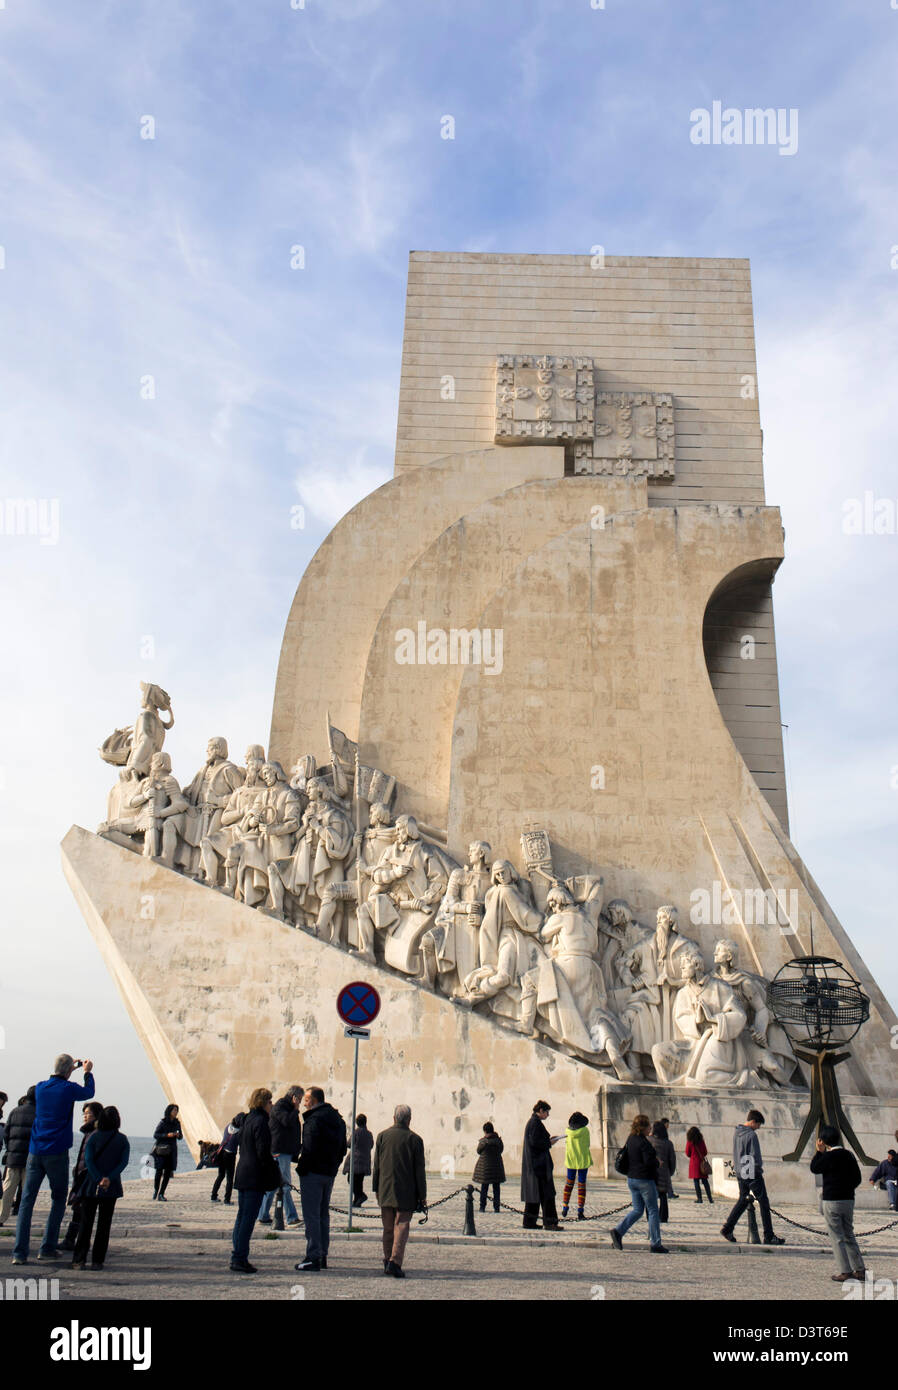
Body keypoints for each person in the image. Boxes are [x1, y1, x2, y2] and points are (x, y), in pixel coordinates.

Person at [13, 1055, 95, 1265]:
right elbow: (89, 1092)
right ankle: (47, 1248)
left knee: (26, 1201)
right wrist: (87, 1072)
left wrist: (70, 1069)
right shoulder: (69, 1089)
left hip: (35, 1150)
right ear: (68, 1071)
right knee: (58, 1199)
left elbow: (59, 1079)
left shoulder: (40, 1087)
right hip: (57, 1151)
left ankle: (19, 1253)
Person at [294, 1087, 347, 1273]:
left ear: (315, 1100)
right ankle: (322, 1254)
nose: (304, 1101)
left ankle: (313, 1256)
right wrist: (334, 1166)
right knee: (323, 1215)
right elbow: (343, 1147)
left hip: (313, 1173)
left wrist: (302, 1168)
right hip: (328, 1173)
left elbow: (308, 1148)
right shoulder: (337, 1119)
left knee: (312, 1216)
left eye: (307, 1098)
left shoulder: (313, 1120)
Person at [71, 1106, 130, 1272]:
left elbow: (88, 1160)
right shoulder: (122, 1139)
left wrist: (98, 1178)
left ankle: (79, 1260)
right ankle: (97, 1261)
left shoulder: (93, 1137)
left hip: (91, 1185)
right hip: (111, 1187)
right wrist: (108, 1178)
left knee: (85, 1223)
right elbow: (123, 1162)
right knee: (104, 1225)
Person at [372, 1104, 427, 1278]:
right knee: (401, 1225)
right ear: (409, 1120)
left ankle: (387, 1259)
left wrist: (376, 1188)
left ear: (393, 1118)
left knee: (387, 1228)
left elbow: (377, 1166)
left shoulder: (382, 1136)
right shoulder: (415, 1140)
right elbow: (419, 1171)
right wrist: (422, 1195)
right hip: (406, 1191)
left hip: (385, 1189)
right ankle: (395, 1262)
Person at [231, 1088, 280, 1274]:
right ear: (263, 1103)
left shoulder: (247, 1120)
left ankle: (237, 1254)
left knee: (241, 1217)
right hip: (254, 1177)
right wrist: (274, 1173)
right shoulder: (261, 1122)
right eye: (270, 1101)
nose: (272, 1105)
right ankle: (239, 1258)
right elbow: (263, 1153)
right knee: (247, 1220)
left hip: (243, 1174)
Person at [720, 1109, 784, 1246]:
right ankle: (769, 1235)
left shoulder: (737, 1133)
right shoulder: (751, 1135)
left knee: (743, 1200)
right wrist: (758, 1169)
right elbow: (755, 1156)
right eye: (758, 1124)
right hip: (752, 1173)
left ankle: (727, 1228)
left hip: (740, 1171)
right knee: (764, 1203)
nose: (759, 1128)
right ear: (753, 1122)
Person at [810, 1125, 865, 1282]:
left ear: (824, 1142)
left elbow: (814, 1168)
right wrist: (847, 1188)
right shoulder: (849, 1155)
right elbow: (857, 1178)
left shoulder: (827, 1157)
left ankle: (845, 1271)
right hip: (848, 1200)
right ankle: (859, 1269)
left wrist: (819, 1152)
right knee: (849, 1234)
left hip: (832, 1200)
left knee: (836, 1237)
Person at [610, 1114, 667, 1253]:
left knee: (637, 1210)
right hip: (645, 1180)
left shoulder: (631, 1139)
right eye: (648, 1126)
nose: (650, 1129)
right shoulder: (643, 1142)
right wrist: (657, 1162)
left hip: (632, 1179)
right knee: (653, 1211)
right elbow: (648, 1162)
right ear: (643, 1127)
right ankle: (655, 1243)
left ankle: (618, 1231)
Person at [259, 1086, 304, 1226]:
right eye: (300, 1099)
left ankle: (263, 1215)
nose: (300, 1103)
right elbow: (286, 1122)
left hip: (284, 1150)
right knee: (285, 1184)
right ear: (294, 1097)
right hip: (279, 1151)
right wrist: (296, 1109)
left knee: (274, 1185)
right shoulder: (280, 1107)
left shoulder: (287, 1107)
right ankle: (291, 1217)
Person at [61, 1101, 103, 1250]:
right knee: (78, 1209)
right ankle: (71, 1239)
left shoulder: (95, 1134)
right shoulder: (89, 1132)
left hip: (86, 1177)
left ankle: (73, 1240)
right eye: (84, 1114)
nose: (85, 1117)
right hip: (81, 1175)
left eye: (88, 1114)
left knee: (81, 1209)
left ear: (97, 1116)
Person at [521, 1100, 561, 1231]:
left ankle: (529, 1222)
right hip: (539, 1166)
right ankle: (550, 1223)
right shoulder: (535, 1123)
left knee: (535, 1194)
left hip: (536, 1165)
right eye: (547, 1112)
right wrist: (550, 1143)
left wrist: (548, 1141)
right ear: (541, 1111)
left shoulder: (533, 1122)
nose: (548, 1115)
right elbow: (536, 1143)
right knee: (547, 1195)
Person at [0, 1086, 36, 1227]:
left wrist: (11, 1149)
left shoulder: (15, 1111)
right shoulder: (39, 1113)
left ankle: (1, 1216)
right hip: (30, 1157)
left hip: (13, 1157)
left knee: (7, 1189)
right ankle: (23, 1217)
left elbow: (7, 1133)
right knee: (26, 1189)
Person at [561, 1111, 592, 1221]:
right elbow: (588, 1144)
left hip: (571, 1161)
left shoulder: (567, 1131)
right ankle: (580, 1211)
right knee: (581, 1185)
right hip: (583, 1161)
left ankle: (565, 1206)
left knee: (569, 1184)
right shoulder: (585, 1131)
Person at [210, 1113, 244, 1205]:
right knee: (230, 1178)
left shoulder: (228, 1127)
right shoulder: (240, 1132)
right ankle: (227, 1200)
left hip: (221, 1153)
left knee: (220, 1175)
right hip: (230, 1155)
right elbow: (241, 1145)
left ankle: (213, 1196)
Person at [472, 1122, 505, 1214]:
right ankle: (497, 1207)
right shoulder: (498, 1140)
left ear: (485, 1131)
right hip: (496, 1166)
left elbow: (478, 1151)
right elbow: (501, 1150)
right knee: (496, 1188)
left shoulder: (483, 1141)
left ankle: (482, 1207)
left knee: (484, 1188)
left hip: (485, 1167)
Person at [152, 1103, 182, 1200]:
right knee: (159, 1171)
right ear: (169, 1111)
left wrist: (178, 1135)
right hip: (161, 1150)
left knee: (168, 1172)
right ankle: (156, 1189)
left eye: (177, 1110)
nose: (176, 1112)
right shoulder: (163, 1122)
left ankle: (161, 1193)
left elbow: (181, 1137)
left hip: (171, 1150)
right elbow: (156, 1134)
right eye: (174, 1110)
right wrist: (166, 1135)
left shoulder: (177, 1123)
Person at [344, 1114, 375, 1207]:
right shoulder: (369, 1134)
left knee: (351, 1180)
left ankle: (360, 1196)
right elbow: (371, 1145)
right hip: (364, 1161)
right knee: (359, 1182)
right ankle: (357, 1200)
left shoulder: (356, 1133)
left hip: (355, 1161)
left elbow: (349, 1144)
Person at [649, 1120, 676, 1223]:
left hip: (652, 1172)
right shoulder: (668, 1143)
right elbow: (672, 1159)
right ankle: (663, 1217)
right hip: (664, 1172)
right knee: (663, 1195)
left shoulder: (649, 1140)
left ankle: (650, 1216)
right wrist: (671, 1171)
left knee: (651, 1196)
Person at [686, 1125, 713, 1204]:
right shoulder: (701, 1141)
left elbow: (687, 1153)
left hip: (694, 1163)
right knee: (705, 1181)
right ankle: (710, 1198)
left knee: (696, 1181)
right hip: (702, 1163)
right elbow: (705, 1152)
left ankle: (699, 1198)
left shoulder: (690, 1142)